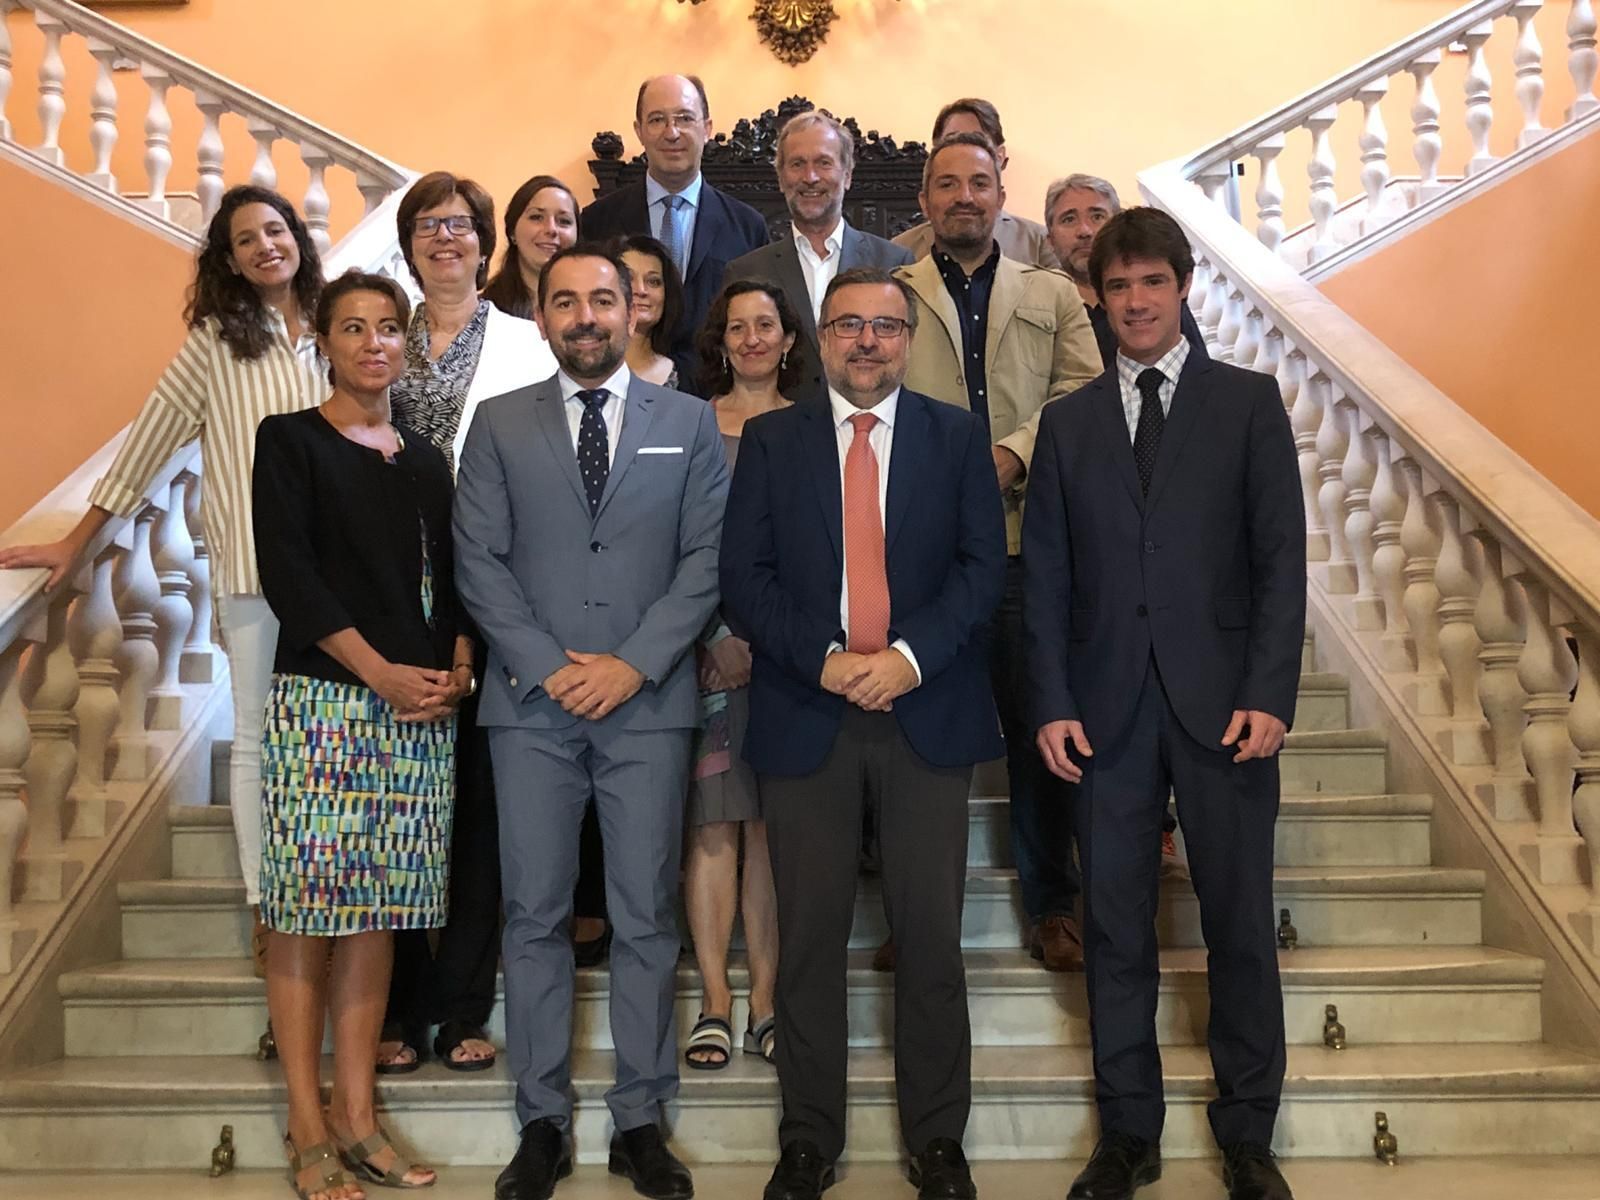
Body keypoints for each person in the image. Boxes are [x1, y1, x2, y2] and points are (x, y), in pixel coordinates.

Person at [1023, 207, 1305, 1200]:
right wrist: (1051, 700)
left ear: (1181, 287)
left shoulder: (1247, 402)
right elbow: (1046, 579)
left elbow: (1280, 560)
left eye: (1151, 282)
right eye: (1117, 287)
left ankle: (1247, 1132)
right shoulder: (1067, 424)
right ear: (1095, 300)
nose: (1135, 302)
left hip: (1227, 709)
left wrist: (1271, 692)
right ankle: (1126, 1134)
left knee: (1235, 920)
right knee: (1111, 925)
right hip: (1103, 714)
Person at [0, 185, 324, 1023]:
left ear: (299, 240)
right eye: (245, 240)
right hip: (256, 575)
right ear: (228, 260)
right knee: (256, 738)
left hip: (347, 577)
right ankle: (268, 907)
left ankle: (329, 891)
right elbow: (149, 438)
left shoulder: (335, 327)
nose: (264, 248)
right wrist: (78, 542)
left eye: (275, 231)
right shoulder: (219, 342)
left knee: (327, 741)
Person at [720, 267, 1007, 1200]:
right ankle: (808, 1138)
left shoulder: (958, 438)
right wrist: (828, 661)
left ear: (909, 337)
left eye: (887, 325)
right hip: (810, 716)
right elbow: (744, 580)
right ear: (823, 334)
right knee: (807, 943)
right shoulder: (772, 441)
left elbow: (980, 572)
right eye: (850, 324)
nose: (869, 341)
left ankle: (938, 1143)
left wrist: (910, 658)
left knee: (930, 939)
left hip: (927, 712)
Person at [453, 244, 728, 1200]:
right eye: (565, 301)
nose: (585, 317)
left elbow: (705, 560)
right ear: (541, 315)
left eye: (603, 300)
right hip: (531, 706)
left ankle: (640, 1121)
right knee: (532, 916)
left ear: (633, 311)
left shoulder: (689, 424)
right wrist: (544, 666)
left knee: (648, 915)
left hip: (646, 704)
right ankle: (542, 1123)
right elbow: (478, 561)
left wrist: (631, 664)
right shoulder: (494, 425)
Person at [253, 269, 469, 1200]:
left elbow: (455, 580)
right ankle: (306, 1125)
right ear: (325, 343)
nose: (374, 343)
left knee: (378, 911)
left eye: (389, 329)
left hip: (420, 712)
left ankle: (359, 1117)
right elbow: (291, 579)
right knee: (308, 913)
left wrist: (456, 665)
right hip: (326, 704)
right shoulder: (290, 441)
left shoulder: (425, 458)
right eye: (354, 328)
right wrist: (376, 672)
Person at [890, 130, 1100, 976]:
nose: (964, 197)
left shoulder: (1048, 295)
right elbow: (866, 392)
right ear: (925, 201)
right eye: (947, 185)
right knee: (923, 742)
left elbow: (1085, 392)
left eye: (978, 183)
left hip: (1024, 546)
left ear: (1000, 195)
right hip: (926, 552)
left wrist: (1013, 448)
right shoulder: (891, 295)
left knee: (1038, 732)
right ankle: (918, 915)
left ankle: (1053, 905)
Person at [375, 171, 555, 1077]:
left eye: (461, 226)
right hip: (391, 596)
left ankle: (460, 1005)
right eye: (428, 225)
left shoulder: (530, 342)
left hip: (499, 590)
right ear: (407, 243)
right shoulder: (373, 340)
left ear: (488, 243)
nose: (446, 239)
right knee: (405, 803)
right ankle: (400, 1005)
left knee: (482, 808)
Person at [679, 279, 800, 1073]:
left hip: (792, 657)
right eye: (738, 327)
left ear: (791, 339)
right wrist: (713, 636)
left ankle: (767, 1000)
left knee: (772, 830)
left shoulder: (819, 424)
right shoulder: (687, 423)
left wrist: (775, 636)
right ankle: (716, 1001)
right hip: (707, 657)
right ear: (719, 341)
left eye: (767, 326)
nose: (752, 338)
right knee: (715, 824)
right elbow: (670, 539)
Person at [581, 74, 769, 388]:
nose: (672, 132)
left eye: (684, 118)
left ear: (707, 128)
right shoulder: (597, 222)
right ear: (639, 131)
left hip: (720, 401)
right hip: (618, 392)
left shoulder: (747, 227)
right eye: (657, 120)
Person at [723, 110, 912, 406]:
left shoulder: (894, 262)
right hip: (780, 432)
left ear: (847, 175)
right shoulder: (746, 271)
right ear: (781, 178)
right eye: (797, 164)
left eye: (823, 163)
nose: (810, 177)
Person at [1043, 173, 1207, 371]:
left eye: (1097, 216)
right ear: (1050, 240)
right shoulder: (1042, 309)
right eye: (1069, 219)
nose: (1085, 231)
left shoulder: (1158, 303)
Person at [893, 98, 1058, 268]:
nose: (965, 151)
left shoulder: (1039, 243)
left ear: (1000, 156)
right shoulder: (898, 251)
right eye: (953, 140)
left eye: (976, 141)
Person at [483, 174, 581, 320]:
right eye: (536, 217)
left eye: (564, 221)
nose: (551, 229)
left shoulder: (592, 311)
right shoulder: (485, 313)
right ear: (512, 232)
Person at [616, 234, 685, 387]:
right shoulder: (585, 368)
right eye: (628, 278)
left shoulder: (686, 375)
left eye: (653, 282)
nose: (641, 290)